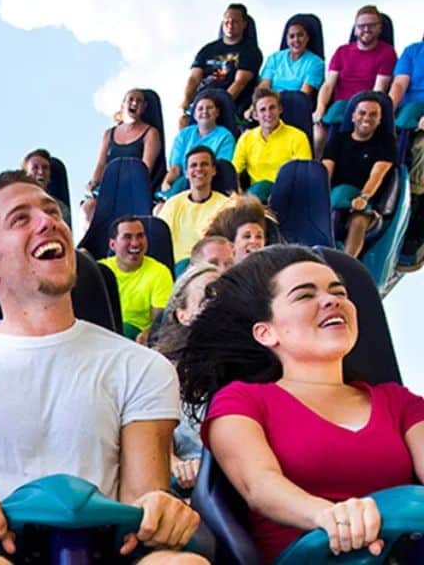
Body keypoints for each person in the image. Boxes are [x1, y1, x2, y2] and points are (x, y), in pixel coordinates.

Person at [0, 170, 203, 564]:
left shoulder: (142, 366)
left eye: (51, 211)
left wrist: (161, 513)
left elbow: (140, 504)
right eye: (20, 219)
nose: (49, 221)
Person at [174, 246, 424, 563]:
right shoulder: (241, 401)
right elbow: (260, 486)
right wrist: (330, 516)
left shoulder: (399, 402)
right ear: (266, 332)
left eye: (340, 292)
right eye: (305, 296)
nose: (332, 300)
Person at [153, 264, 222, 492]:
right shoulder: (159, 372)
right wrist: (177, 466)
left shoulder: (258, 370)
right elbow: (154, 446)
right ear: (182, 315)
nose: (220, 304)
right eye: (208, 297)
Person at [312, 5, 398, 156]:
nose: (366, 29)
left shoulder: (387, 52)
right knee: (318, 134)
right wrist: (320, 108)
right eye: (361, 26)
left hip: (364, 110)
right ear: (355, 29)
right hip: (337, 109)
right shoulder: (342, 51)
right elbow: (328, 85)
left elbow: (378, 91)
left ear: (379, 28)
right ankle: (320, 172)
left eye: (371, 25)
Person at [321, 96, 397, 257]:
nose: (366, 118)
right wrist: (322, 195)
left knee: (358, 221)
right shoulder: (338, 140)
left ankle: (346, 265)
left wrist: (363, 197)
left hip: (366, 204)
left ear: (379, 119)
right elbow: (326, 171)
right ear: (353, 116)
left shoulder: (386, 142)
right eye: (362, 113)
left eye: (373, 114)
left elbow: (377, 174)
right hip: (335, 198)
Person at [84, 89, 162, 221]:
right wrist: (93, 182)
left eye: (139, 101)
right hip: (110, 188)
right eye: (131, 99)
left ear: (144, 108)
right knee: (88, 207)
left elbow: (145, 168)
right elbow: (101, 163)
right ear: (123, 105)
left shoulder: (151, 133)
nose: (134, 103)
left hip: (136, 189)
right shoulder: (109, 133)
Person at [180, 4, 262, 128]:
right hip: (203, 101)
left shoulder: (250, 52)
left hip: (230, 104)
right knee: (184, 121)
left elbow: (239, 83)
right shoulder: (207, 50)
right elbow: (194, 78)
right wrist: (186, 101)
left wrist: (217, 106)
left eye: (235, 22)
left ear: (244, 24)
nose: (230, 25)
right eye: (226, 21)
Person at [98, 216, 174, 343]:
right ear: (112, 245)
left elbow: (161, 322)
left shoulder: (160, 272)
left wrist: (147, 334)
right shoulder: (99, 270)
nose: (135, 243)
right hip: (104, 335)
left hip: (137, 340)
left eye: (140, 236)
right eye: (127, 237)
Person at [233, 88, 312, 202]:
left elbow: (303, 176)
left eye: (272, 108)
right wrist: (238, 192)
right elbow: (234, 171)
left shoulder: (298, 137)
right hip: (256, 198)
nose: (268, 114)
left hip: (288, 196)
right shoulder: (246, 138)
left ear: (280, 109)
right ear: (255, 115)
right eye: (263, 110)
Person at [158, 147, 231, 263]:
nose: (199, 169)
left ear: (213, 170)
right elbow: (159, 240)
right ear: (186, 173)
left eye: (204, 164)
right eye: (193, 165)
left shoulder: (227, 205)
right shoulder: (173, 204)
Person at [163, 94, 237, 199]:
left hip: (211, 182)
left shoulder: (225, 136)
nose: (204, 111)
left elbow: (222, 168)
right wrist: (167, 183)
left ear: (217, 112)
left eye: (209, 108)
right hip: (183, 182)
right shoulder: (184, 134)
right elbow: (176, 167)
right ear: (194, 114)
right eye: (200, 108)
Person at [389, 38, 424, 196]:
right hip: (406, 114)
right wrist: (387, 111)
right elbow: (399, 84)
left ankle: (415, 196)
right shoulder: (413, 51)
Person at [256, 16, 326, 95]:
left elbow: (304, 95)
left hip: (295, 103)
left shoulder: (316, 63)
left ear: (307, 38)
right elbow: (264, 87)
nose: (296, 40)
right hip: (270, 104)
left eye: (300, 35)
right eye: (292, 36)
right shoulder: (274, 58)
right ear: (287, 40)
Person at [21, 148, 70, 222]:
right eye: (35, 168)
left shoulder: (60, 208)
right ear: (25, 175)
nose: (41, 172)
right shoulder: (17, 206)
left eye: (45, 168)